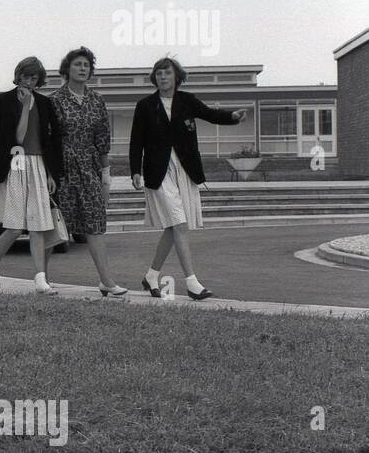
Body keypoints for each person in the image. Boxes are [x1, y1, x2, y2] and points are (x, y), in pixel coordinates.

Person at [129, 55, 248, 300]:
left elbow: (210, 114)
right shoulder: (145, 106)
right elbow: (136, 141)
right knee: (180, 225)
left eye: (167, 73)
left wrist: (233, 117)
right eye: (159, 73)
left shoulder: (187, 101)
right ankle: (192, 283)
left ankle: (152, 276)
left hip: (184, 169)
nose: (163, 77)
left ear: (177, 77)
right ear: (155, 78)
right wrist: (135, 170)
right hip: (158, 171)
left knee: (174, 227)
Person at [0, 56, 65, 295]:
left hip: (39, 164)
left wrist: (52, 173)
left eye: (34, 77)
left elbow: (53, 140)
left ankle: (40, 280)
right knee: (16, 226)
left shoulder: (46, 104)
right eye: (26, 76)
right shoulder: (1, 101)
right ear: (18, 75)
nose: (29, 81)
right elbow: (0, 137)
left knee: (38, 226)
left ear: (39, 79)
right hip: (14, 163)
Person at [49, 46, 127, 297]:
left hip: (90, 168)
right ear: (67, 69)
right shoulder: (55, 100)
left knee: (95, 223)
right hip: (62, 169)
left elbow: (103, 138)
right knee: (54, 225)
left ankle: (106, 280)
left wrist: (106, 175)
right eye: (77, 64)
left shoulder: (97, 100)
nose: (82, 69)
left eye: (86, 65)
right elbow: (48, 140)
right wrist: (50, 175)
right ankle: (43, 278)